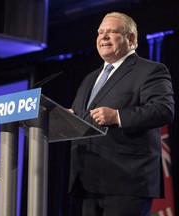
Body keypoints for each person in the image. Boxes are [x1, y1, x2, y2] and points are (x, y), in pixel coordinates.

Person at [68, 12, 175, 216]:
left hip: (127, 180)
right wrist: (68, 117)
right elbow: (81, 116)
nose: (104, 36)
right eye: (100, 32)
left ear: (131, 39)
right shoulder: (90, 78)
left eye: (112, 31)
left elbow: (163, 110)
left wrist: (117, 116)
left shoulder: (150, 70)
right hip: (89, 181)